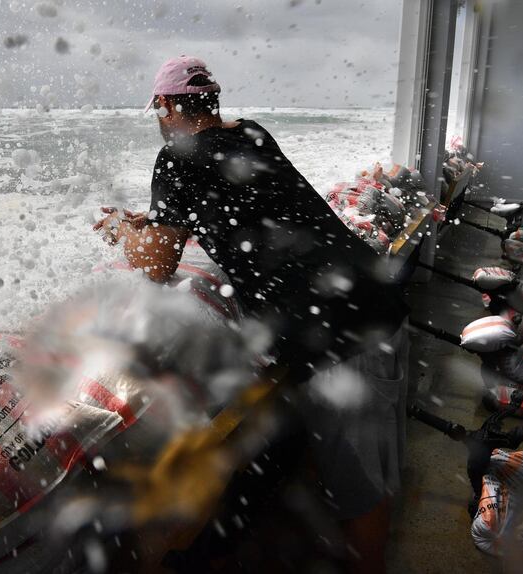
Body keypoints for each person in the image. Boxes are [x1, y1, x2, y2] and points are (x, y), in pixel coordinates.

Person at [93, 56, 409, 573]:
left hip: (334, 332)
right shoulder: (253, 133)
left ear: (167, 104)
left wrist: (123, 232)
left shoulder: (176, 158)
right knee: (381, 472)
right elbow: (244, 206)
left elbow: (156, 264)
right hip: (376, 298)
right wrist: (151, 219)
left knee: (361, 494)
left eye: (159, 108)